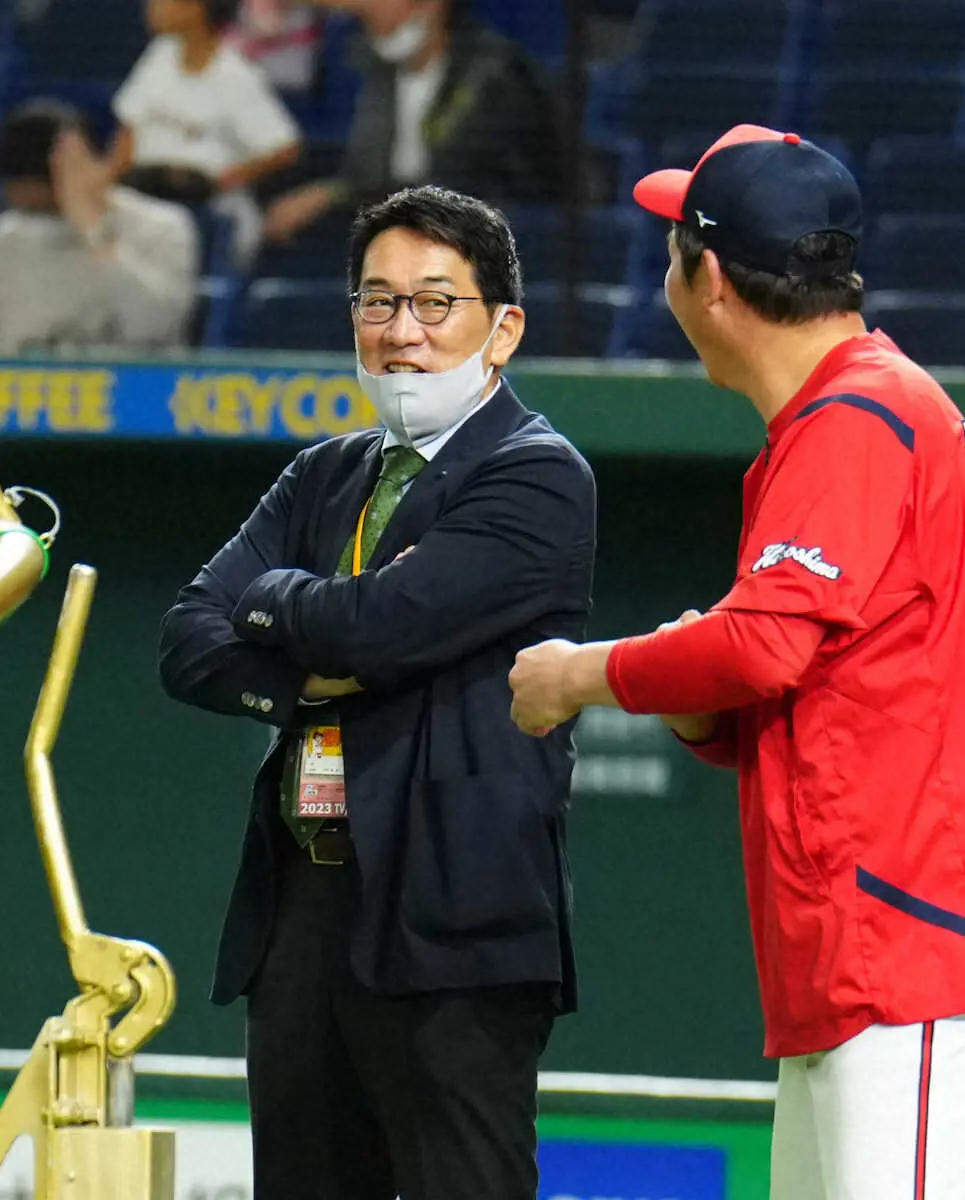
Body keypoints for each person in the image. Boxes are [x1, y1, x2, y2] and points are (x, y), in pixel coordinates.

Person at [507, 125, 965, 1200]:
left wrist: (581, 673)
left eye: (670, 247)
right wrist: (701, 702)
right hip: (878, 932)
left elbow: (762, 643)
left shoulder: (859, 414)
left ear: (709, 280)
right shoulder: (850, 409)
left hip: (922, 930)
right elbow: (817, 674)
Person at [158, 184, 596, 1200]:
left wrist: (274, 601)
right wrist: (303, 676)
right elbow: (187, 637)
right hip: (302, 910)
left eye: (435, 303)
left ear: (504, 328)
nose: (402, 333)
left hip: (455, 920)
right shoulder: (324, 473)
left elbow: (379, 628)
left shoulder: (537, 475)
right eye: (377, 301)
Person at [263, 0, 564, 244]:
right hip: (411, 238)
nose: (370, 27)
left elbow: (456, 181)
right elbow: (365, 173)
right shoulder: (382, 74)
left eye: (377, 10)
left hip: (503, 243)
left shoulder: (492, 73)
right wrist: (331, 194)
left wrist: (329, 196)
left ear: (430, 6)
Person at [109, 0, 302, 265]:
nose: (153, 8)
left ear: (198, 9)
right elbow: (128, 130)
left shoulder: (236, 74)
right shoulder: (159, 55)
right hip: (143, 200)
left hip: (210, 213)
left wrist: (217, 182)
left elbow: (284, 148)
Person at [0, 99, 198, 356]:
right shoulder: (9, 239)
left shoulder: (162, 227)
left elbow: (154, 326)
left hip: (132, 388)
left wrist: (92, 232)